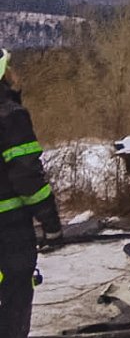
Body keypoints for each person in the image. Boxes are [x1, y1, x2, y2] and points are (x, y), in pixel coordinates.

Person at [0, 48, 62, 338]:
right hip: (9, 231)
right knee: (13, 300)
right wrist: (51, 225)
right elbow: (27, 178)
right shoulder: (10, 116)